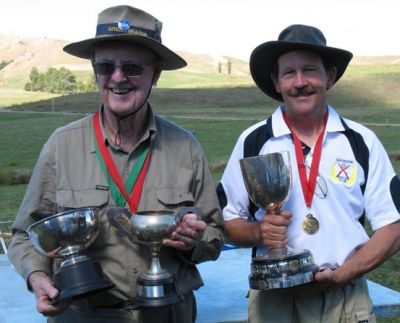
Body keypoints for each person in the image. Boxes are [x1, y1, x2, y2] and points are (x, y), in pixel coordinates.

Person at [8, 5, 224, 323]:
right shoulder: (62, 145)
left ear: (157, 72)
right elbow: (24, 234)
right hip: (83, 316)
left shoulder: (185, 147)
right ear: (95, 70)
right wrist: (37, 276)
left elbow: (215, 234)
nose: (118, 78)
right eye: (106, 66)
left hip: (167, 314)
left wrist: (194, 242)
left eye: (133, 68)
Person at [217, 24, 400, 322]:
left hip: (347, 298)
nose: (300, 82)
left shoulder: (361, 141)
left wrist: (346, 273)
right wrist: (258, 232)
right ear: (277, 82)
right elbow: (225, 221)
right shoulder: (253, 141)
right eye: (289, 72)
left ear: (330, 76)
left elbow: (393, 227)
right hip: (275, 300)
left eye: (310, 70)